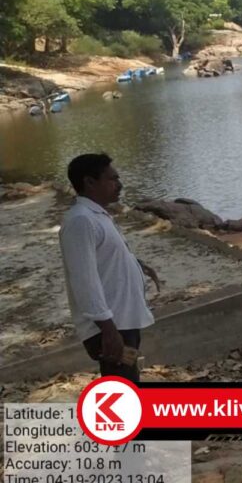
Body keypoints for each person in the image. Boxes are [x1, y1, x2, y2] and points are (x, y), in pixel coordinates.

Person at [59, 153, 161, 382]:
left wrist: (139, 265)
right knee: (121, 385)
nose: (120, 185)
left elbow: (105, 256)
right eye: (112, 179)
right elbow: (84, 280)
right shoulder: (81, 221)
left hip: (121, 319)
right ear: (90, 182)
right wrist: (108, 329)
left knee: (127, 382)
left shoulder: (97, 215)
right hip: (110, 324)